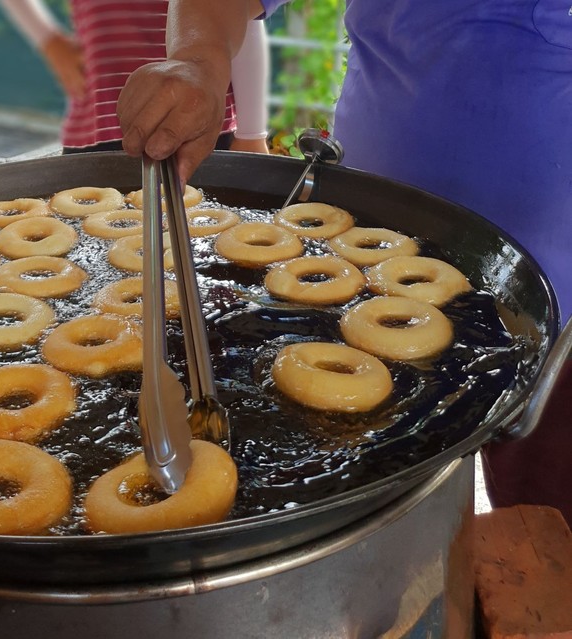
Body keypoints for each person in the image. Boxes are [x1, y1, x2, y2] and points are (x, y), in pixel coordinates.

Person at [117, 0, 572, 523]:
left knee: (545, 512)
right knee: (395, 489)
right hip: (370, 241)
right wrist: (199, 60)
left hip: (556, 283)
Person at [0, 0, 270, 155]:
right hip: (98, 126)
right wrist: (49, 41)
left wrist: (251, 134)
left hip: (197, 124)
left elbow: (242, 17)